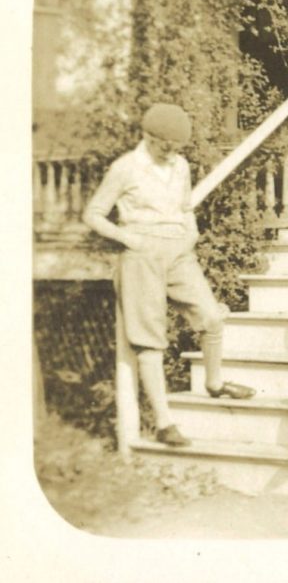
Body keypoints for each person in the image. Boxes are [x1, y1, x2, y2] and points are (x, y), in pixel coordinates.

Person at [82, 103, 255, 448]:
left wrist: (190, 234)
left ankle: (215, 384)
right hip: (141, 254)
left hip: (178, 251)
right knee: (148, 339)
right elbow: (94, 214)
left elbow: (185, 207)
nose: (172, 152)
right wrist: (128, 238)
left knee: (211, 317)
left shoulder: (181, 166)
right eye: (166, 145)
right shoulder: (125, 168)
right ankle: (164, 422)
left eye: (177, 146)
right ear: (148, 137)